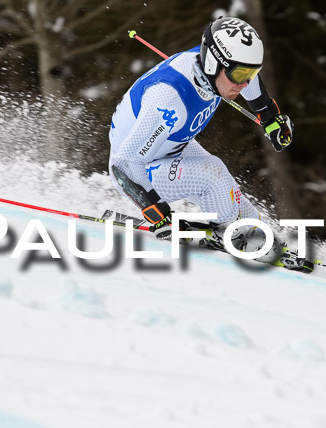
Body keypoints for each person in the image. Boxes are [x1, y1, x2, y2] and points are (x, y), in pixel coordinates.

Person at [108, 17, 301, 268]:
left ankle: (251, 236)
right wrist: (159, 216)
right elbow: (124, 165)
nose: (243, 84)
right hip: (138, 170)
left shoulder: (212, 68)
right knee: (214, 176)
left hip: (170, 147)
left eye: (251, 73)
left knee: (237, 202)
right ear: (213, 62)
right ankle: (232, 237)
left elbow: (247, 81)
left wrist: (269, 116)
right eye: (239, 75)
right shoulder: (169, 100)